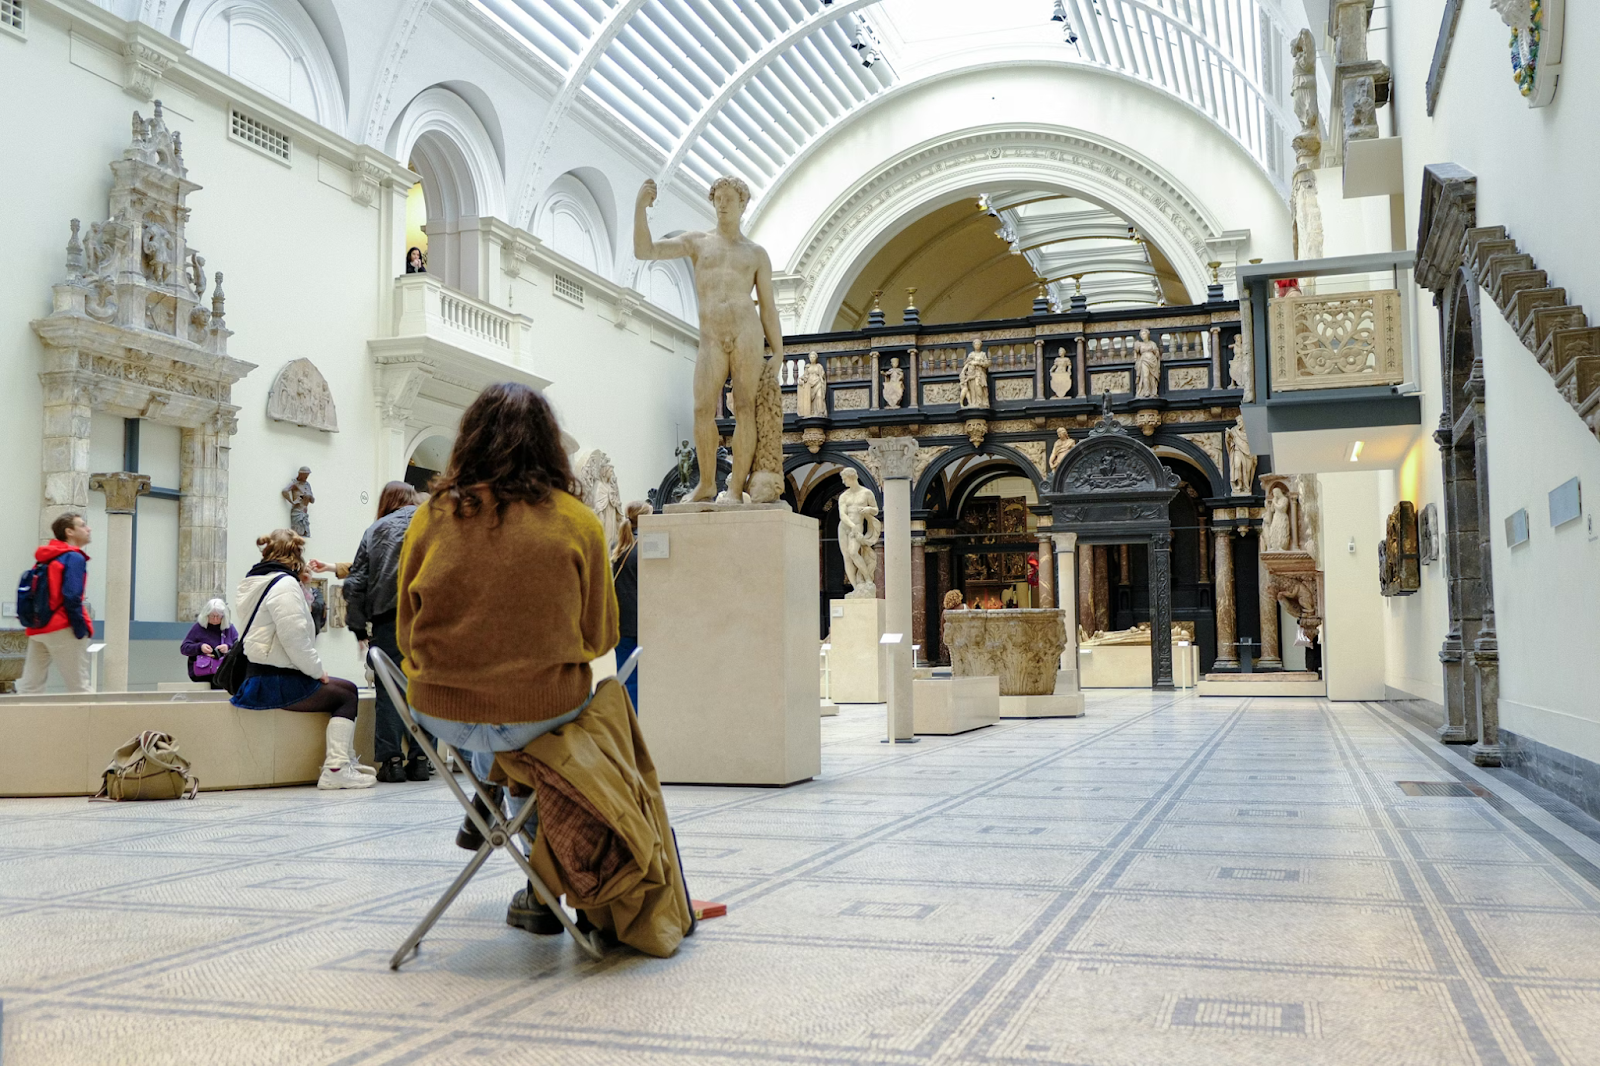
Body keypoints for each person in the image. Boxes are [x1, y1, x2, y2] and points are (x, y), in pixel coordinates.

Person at [398, 381, 618, 935]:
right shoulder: (578, 522)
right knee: (548, 739)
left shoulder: (429, 518)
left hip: (442, 713)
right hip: (539, 712)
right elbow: (601, 637)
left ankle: (488, 790)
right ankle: (549, 886)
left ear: (467, 441)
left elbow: (405, 633)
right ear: (549, 446)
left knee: (494, 744)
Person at [232, 529, 374, 790]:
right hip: (275, 678)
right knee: (347, 695)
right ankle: (336, 769)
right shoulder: (284, 584)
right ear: (295, 554)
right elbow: (295, 637)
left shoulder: (256, 581)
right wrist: (317, 671)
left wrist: (303, 585)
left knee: (347, 688)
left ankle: (344, 760)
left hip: (259, 675)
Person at [344, 481, 431, 783]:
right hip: (430, 619)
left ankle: (392, 761)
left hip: (390, 620)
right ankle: (422, 760)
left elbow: (355, 582)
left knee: (390, 691)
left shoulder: (376, 529)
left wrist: (358, 627)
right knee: (426, 688)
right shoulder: (432, 522)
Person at [17, 512, 95, 694]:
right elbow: (72, 595)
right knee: (80, 687)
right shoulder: (74, 557)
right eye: (82, 525)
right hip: (62, 626)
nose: (88, 529)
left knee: (30, 687)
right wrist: (80, 628)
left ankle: (25, 722)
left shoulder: (45, 558)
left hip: (38, 627)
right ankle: (91, 722)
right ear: (69, 531)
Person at [611, 500, 651, 712]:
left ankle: (626, 717)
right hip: (641, 621)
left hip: (621, 621)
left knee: (625, 674)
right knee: (643, 677)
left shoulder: (616, 548)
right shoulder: (645, 548)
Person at [180, 598, 237, 689]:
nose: (215, 619)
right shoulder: (198, 628)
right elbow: (184, 648)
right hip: (202, 674)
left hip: (224, 673)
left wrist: (228, 647)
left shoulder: (229, 628)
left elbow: (239, 647)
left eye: (218, 616)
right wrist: (200, 647)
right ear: (206, 615)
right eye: (212, 616)